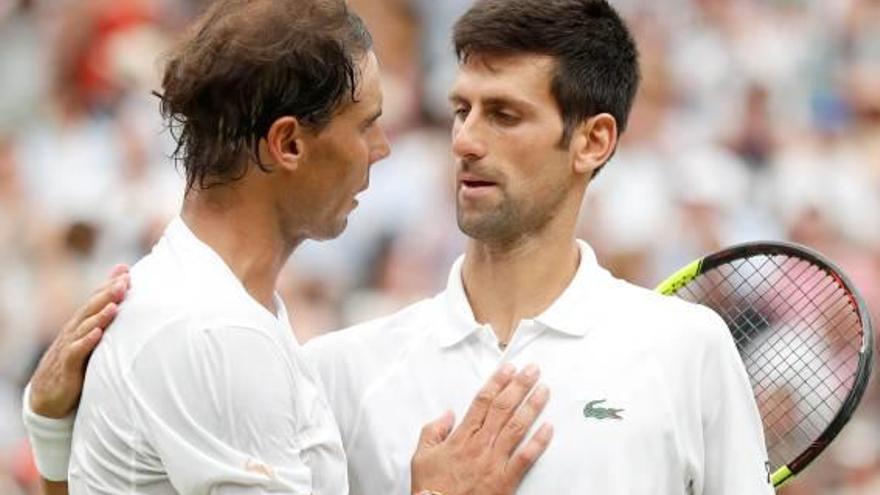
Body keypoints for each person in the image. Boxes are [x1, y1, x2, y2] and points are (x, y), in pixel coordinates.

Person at [25, 0, 772, 493]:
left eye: (503, 114)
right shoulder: (331, 368)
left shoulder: (688, 349)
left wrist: (54, 439)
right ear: (288, 144)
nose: (465, 140)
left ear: (593, 140)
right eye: (461, 110)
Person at [20, 0, 552, 494]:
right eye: (366, 125)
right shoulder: (216, 330)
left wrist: (50, 438)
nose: (382, 149)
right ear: (289, 144)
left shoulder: (210, 304)